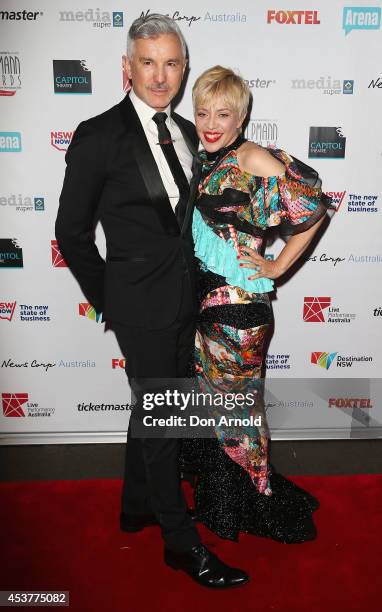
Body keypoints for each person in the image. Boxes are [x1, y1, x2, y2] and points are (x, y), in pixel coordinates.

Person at [55, 18, 248, 588]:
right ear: (127, 67)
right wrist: (111, 301)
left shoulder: (191, 132)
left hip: (190, 302)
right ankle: (180, 543)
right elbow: (71, 235)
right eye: (148, 62)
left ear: (183, 68)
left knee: (156, 409)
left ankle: (136, 504)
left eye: (171, 63)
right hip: (138, 308)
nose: (160, 75)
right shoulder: (98, 135)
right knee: (166, 420)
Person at [180, 66, 335, 543]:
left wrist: (278, 266)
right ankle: (225, 498)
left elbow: (313, 206)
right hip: (205, 302)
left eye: (222, 113)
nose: (210, 122)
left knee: (238, 412)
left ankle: (253, 498)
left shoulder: (251, 157)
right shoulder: (208, 155)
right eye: (203, 111)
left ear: (241, 116)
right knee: (218, 407)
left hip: (239, 308)